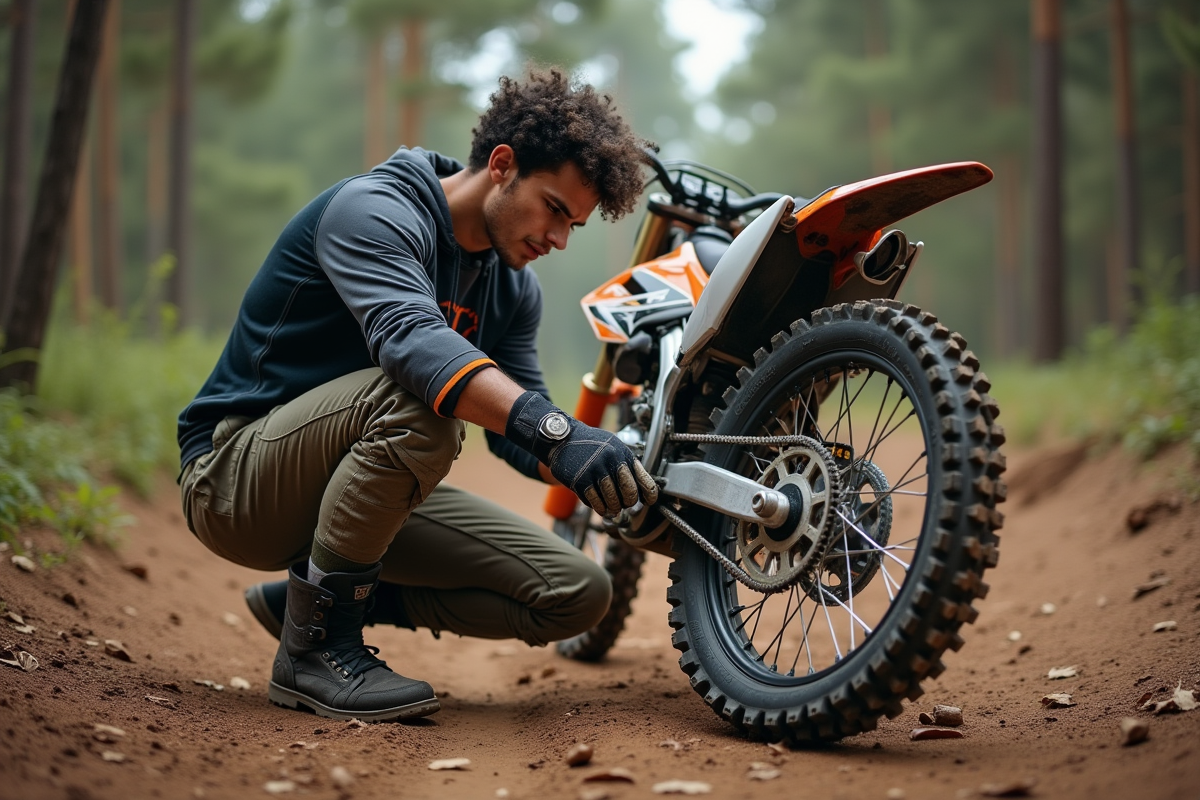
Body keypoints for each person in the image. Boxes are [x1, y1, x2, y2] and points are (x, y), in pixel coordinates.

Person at [176, 68, 658, 723]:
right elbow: (411, 344)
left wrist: (611, 467)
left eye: (574, 224)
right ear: (502, 165)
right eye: (554, 208)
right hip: (236, 478)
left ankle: (316, 596)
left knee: (577, 592)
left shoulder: (511, 288)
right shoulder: (375, 210)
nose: (560, 239)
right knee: (420, 404)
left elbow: (515, 429)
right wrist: (558, 434)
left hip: (349, 491)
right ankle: (314, 653)